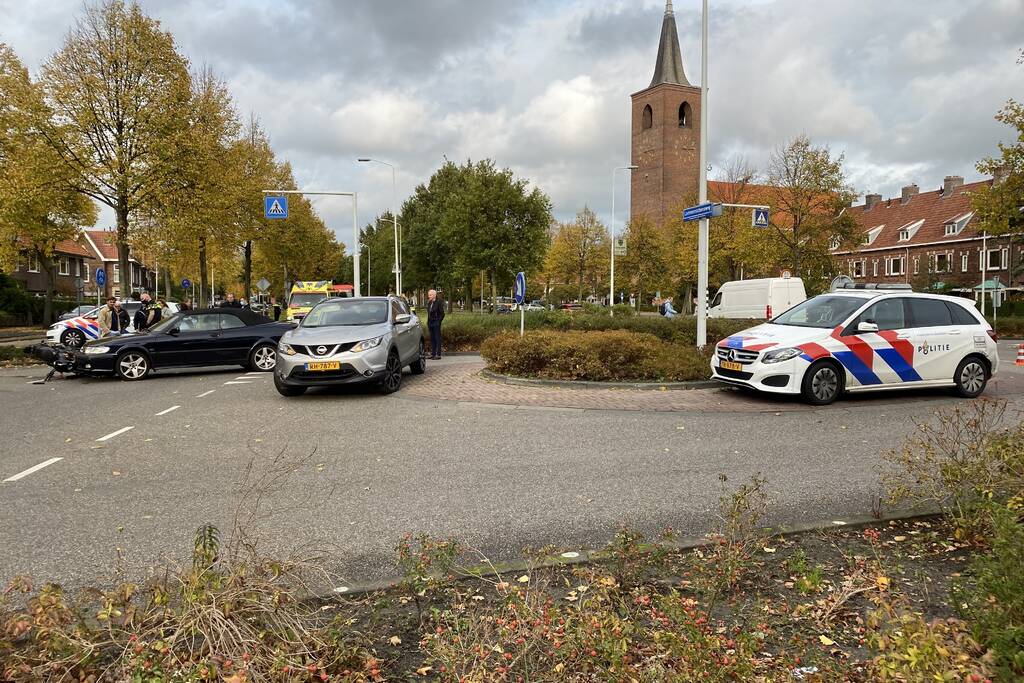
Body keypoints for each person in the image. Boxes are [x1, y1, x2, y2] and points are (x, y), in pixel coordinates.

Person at [427, 288, 445, 359]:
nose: (429, 296)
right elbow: (429, 313)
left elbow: (442, 314)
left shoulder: (439, 302)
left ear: (434, 295)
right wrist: (428, 322)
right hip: (430, 323)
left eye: (430, 295)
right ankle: (433, 354)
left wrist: (438, 322)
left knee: (437, 338)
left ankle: (438, 354)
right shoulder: (429, 302)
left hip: (436, 323)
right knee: (432, 338)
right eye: (429, 295)